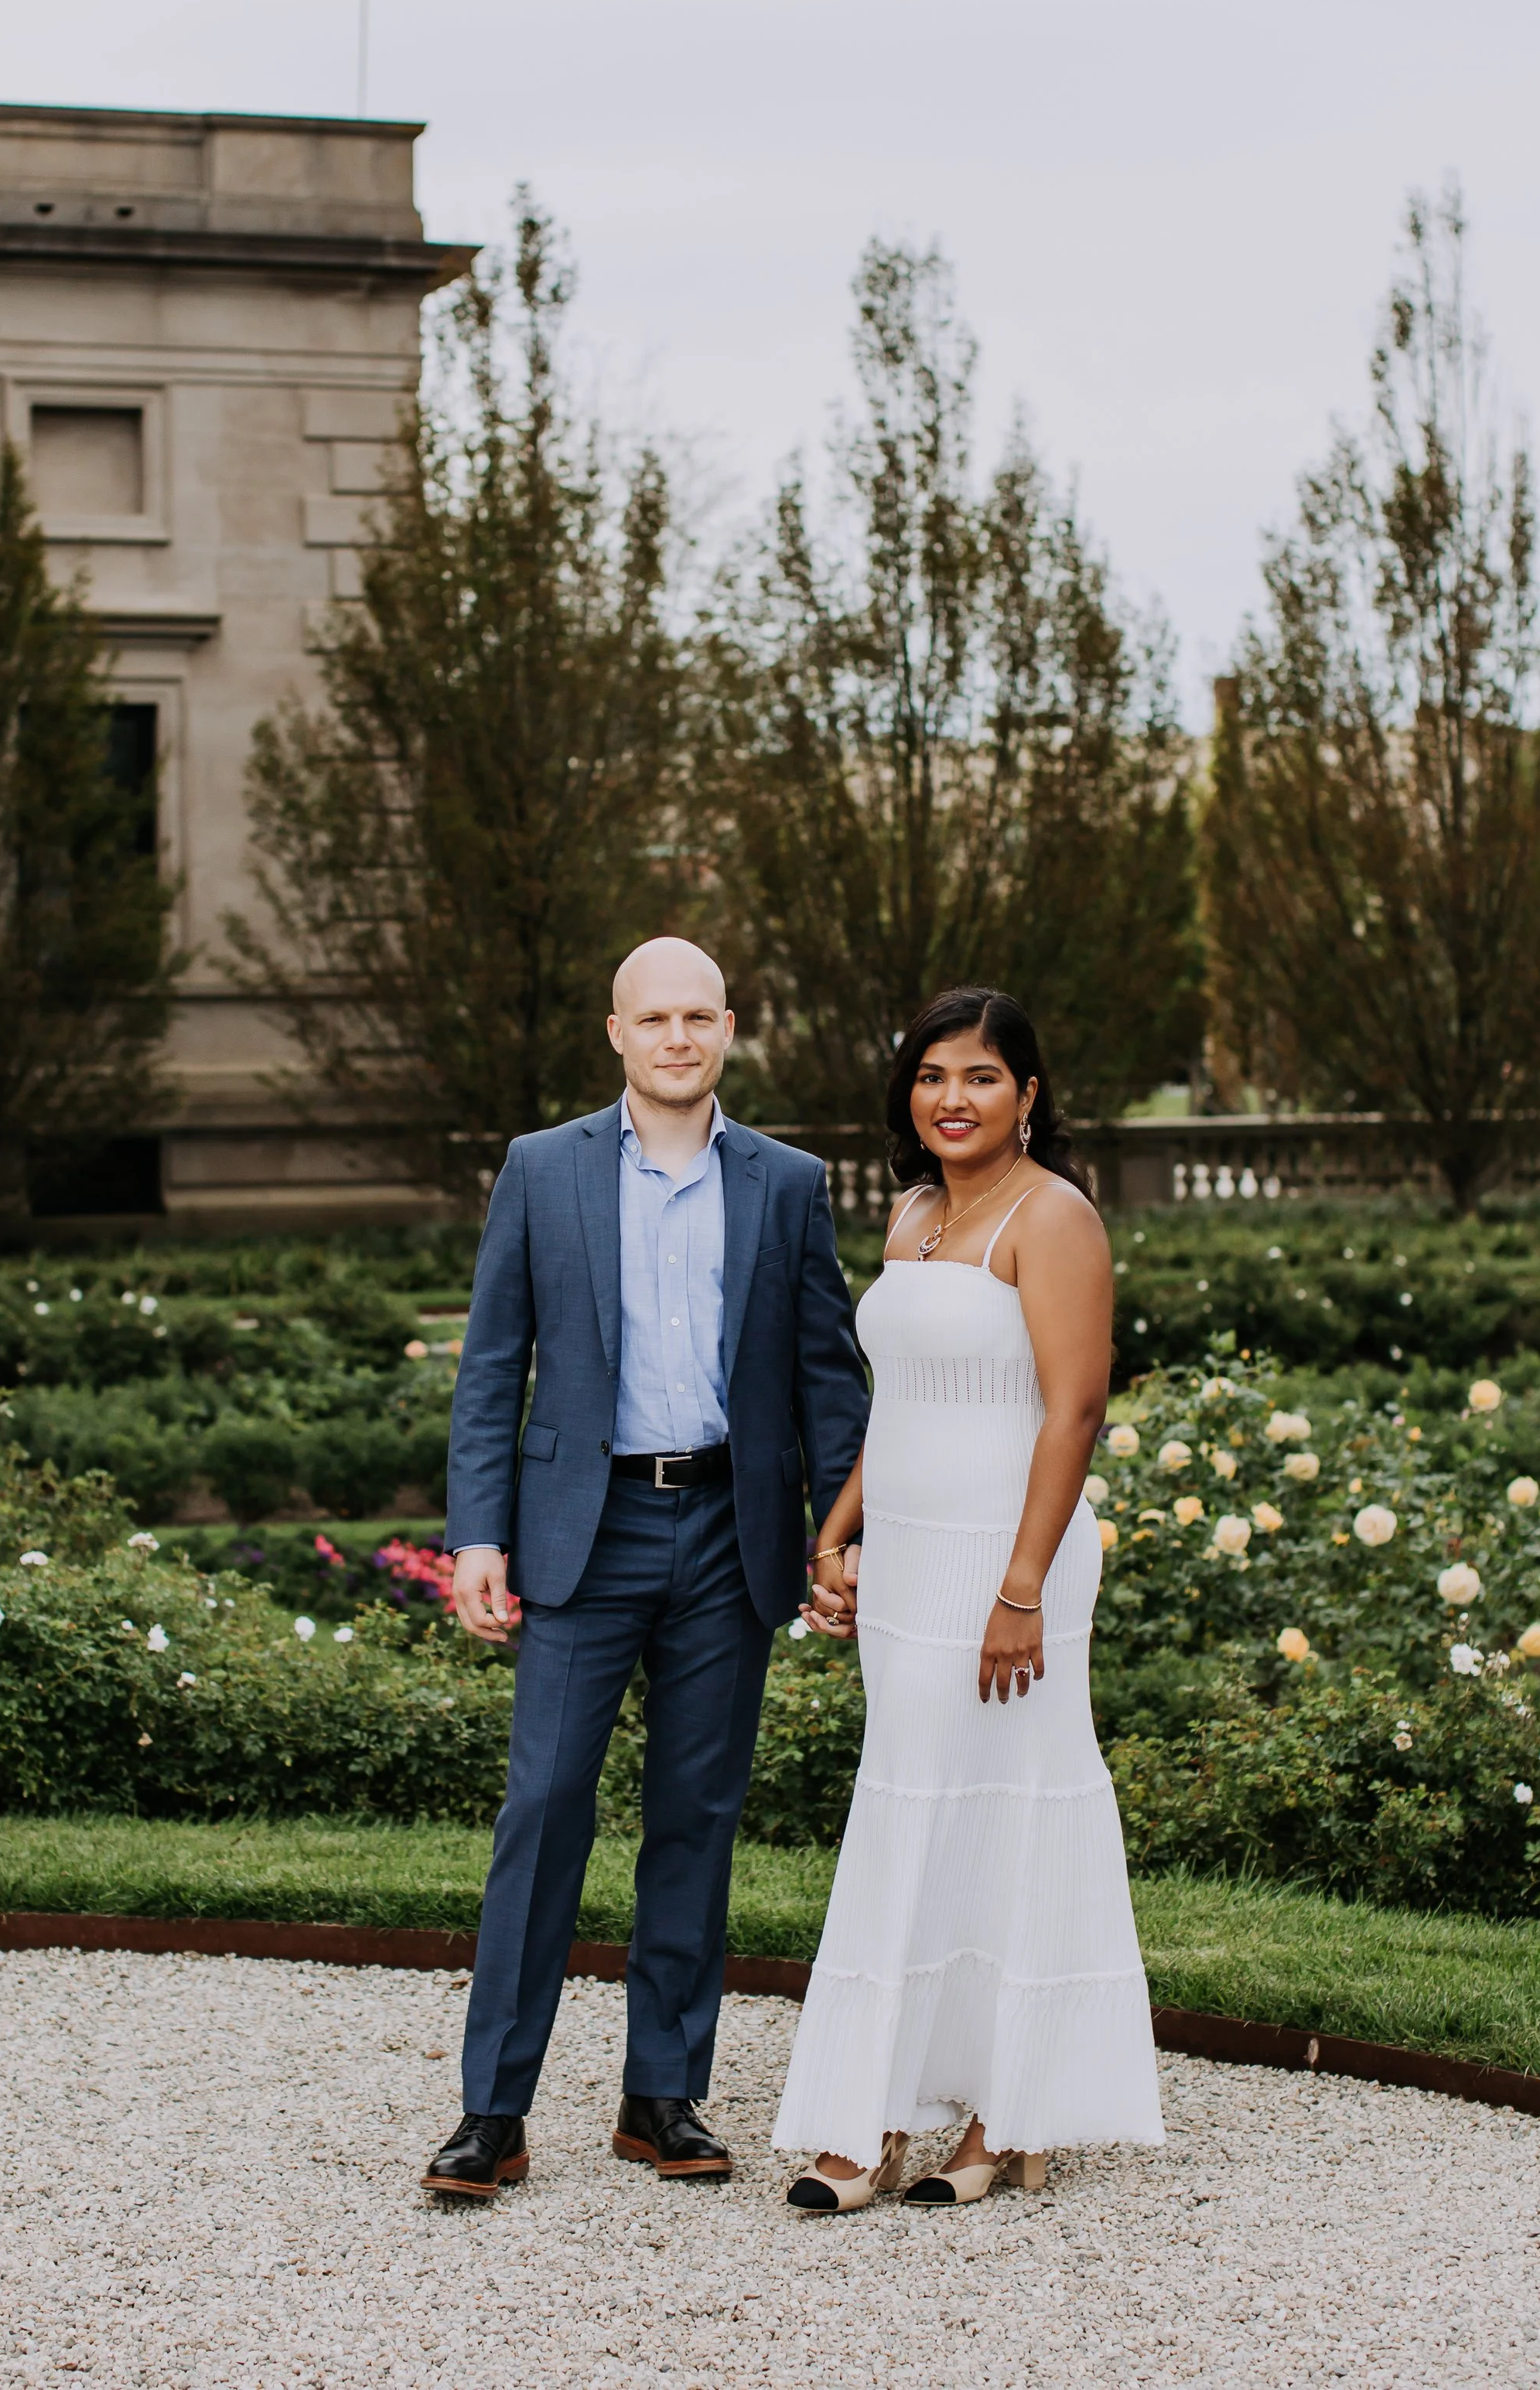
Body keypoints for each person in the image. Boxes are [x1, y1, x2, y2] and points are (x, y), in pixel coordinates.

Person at [423, 936, 870, 2201]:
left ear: (729, 1028)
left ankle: (661, 2095)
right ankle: (491, 2114)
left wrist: (841, 1539)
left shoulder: (786, 1182)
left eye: (698, 1017)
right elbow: (490, 1364)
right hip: (586, 1530)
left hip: (731, 1533)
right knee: (545, 1808)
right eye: (652, 1017)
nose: (677, 1037)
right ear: (616, 1032)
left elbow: (829, 1378)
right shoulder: (541, 1169)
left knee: (697, 1818)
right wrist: (478, 1534)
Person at [773, 985, 1165, 2209]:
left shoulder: (1054, 1219)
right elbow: (905, 1405)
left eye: (982, 1076)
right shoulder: (911, 1216)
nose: (954, 1097)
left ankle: (1008, 2109)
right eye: (933, 1075)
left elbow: (1076, 1410)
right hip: (909, 1561)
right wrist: (840, 1530)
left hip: (1014, 1563)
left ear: (1030, 1095)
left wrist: (1021, 1587)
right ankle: (880, 2111)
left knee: (1013, 1810)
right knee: (907, 1809)